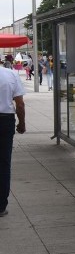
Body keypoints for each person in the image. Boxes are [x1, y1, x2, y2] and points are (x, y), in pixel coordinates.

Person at [0, 65, 25, 217]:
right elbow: (20, 104)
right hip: (5, 121)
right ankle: (1, 205)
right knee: (3, 163)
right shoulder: (11, 74)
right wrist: (21, 123)